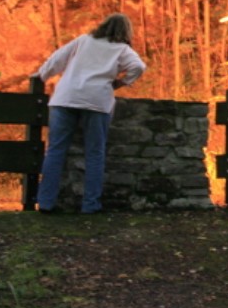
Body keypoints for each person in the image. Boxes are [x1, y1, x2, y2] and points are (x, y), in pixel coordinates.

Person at [32, 13, 146, 214]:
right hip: (96, 101)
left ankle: (46, 202)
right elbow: (138, 66)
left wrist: (41, 75)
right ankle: (90, 204)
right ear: (126, 31)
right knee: (95, 154)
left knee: (56, 151)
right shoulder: (122, 49)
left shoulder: (83, 41)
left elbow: (57, 59)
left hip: (65, 97)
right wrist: (122, 82)